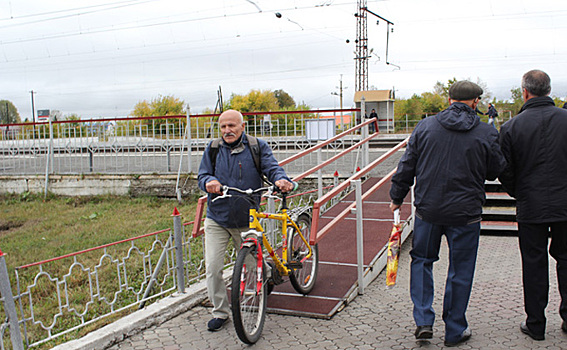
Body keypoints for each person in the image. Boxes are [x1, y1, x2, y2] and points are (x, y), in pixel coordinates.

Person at [389, 81, 506, 347]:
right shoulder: (485, 132)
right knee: (460, 270)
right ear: (476, 102)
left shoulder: (426, 126)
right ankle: (454, 330)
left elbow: (407, 165)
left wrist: (397, 196)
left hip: (428, 211)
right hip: (466, 214)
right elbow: (494, 170)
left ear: (449, 99)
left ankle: (423, 321)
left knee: (421, 261)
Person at [198, 109, 294, 331]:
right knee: (213, 268)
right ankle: (221, 313)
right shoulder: (213, 149)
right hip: (217, 219)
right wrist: (209, 181)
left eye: (232, 126)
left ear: (242, 127)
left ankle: (269, 274)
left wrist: (280, 180)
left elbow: (271, 167)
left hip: (246, 219)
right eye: (223, 127)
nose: (227, 131)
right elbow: (202, 176)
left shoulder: (256, 147)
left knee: (253, 265)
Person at [498, 69, 567, 341]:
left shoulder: (512, 127)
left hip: (530, 206)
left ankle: (536, 324)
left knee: (534, 263)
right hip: (565, 204)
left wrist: (519, 192)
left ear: (525, 92)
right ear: (549, 90)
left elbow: (505, 170)